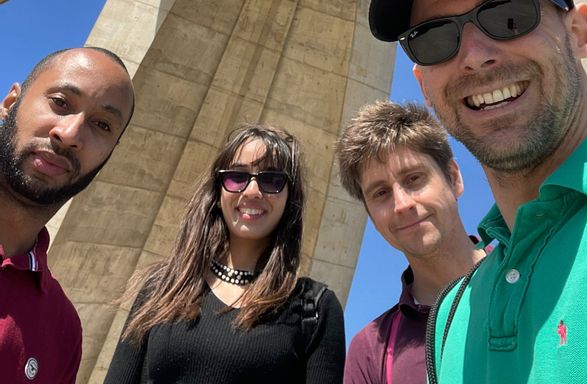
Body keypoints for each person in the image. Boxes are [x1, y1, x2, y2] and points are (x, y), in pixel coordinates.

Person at [368, 0, 587, 383]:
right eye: (434, 38)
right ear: (424, 87)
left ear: (580, 32)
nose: (474, 56)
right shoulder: (453, 317)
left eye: (508, 15)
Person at [105, 124, 346, 384]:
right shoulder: (162, 288)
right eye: (237, 177)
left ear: (290, 198)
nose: (252, 191)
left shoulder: (315, 308)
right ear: (219, 192)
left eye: (272, 180)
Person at [0, 46, 135, 384]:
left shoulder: (62, 330)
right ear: (10, 103)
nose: (70, 134)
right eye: (60, 103)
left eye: (102, 125)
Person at [336, 100, 484, 384]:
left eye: (414, 178)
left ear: (453, 178)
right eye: (380, 193)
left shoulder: (533, 276)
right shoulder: (370, 350)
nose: (401, 204)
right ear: (372, 217)